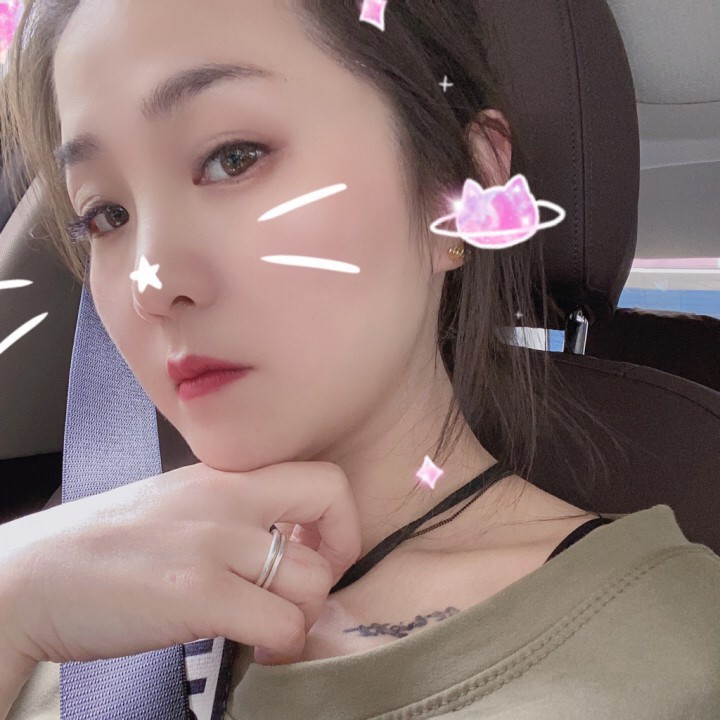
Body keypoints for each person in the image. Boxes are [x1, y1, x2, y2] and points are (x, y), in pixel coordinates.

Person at [1, 1, 719, 719]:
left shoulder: (673, 658)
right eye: (106, 216)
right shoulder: (57, 592)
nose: (149, 285)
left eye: (233, 157)